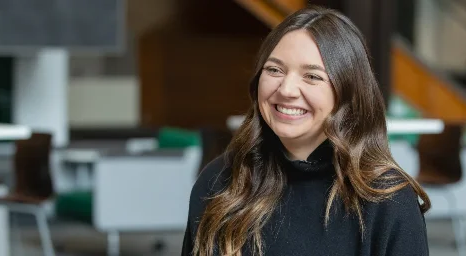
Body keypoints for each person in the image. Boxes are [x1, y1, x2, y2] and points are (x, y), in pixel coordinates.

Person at [182, 5, 430, 256]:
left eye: (312, 76)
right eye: (274, 70)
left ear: (348, 92)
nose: (286, 89)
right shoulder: (220, 181)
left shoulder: (388, 200)